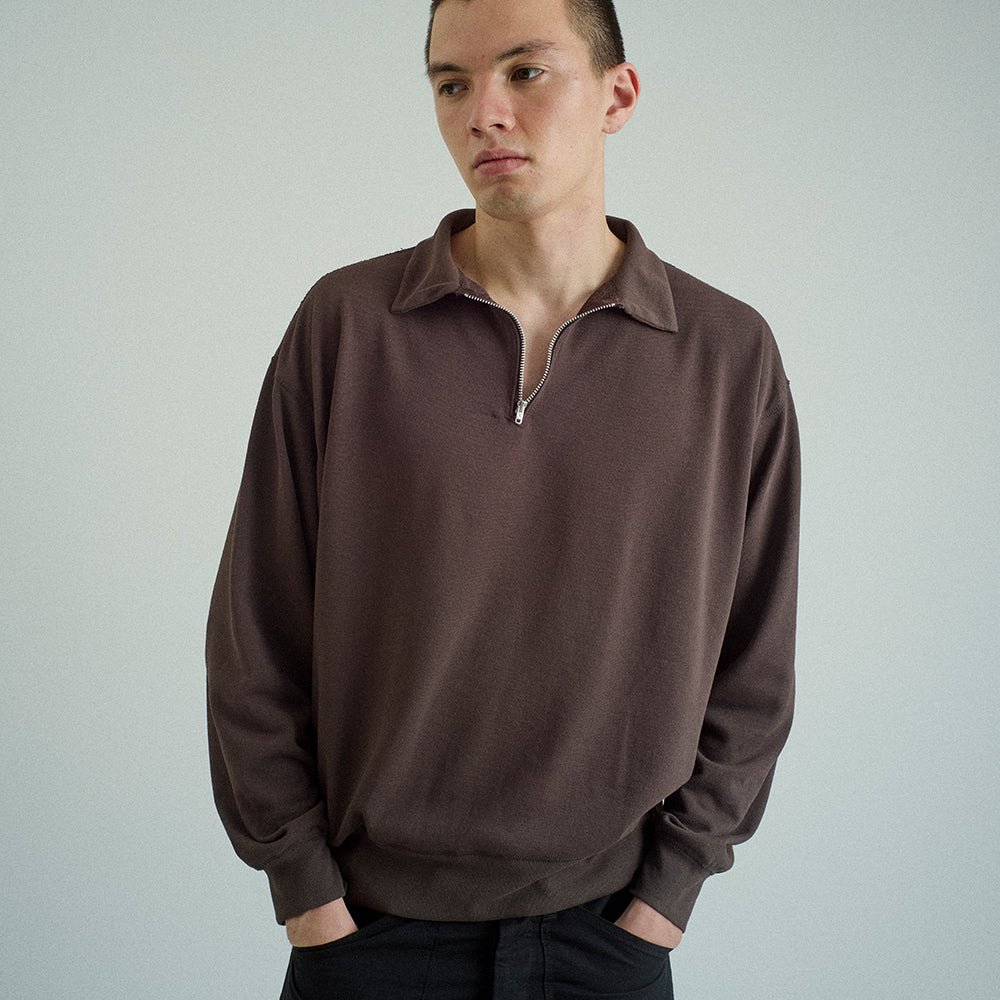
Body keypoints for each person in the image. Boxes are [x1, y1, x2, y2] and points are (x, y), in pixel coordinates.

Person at [206, 0, 800, 996]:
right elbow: (254, 627)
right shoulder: (347, 326)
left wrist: (669, 891)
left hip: (608, 936)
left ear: (618, 95)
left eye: (525, 72)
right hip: (368, 935)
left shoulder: (724, 353)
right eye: (452, 83)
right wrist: (306, 890)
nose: (482, 111)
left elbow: (757, 655)